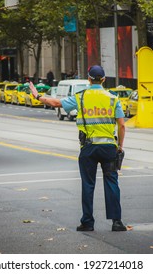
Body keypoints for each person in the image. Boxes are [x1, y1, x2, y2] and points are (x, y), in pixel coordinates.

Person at [29, 65, 127, 232]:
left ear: (89, 79)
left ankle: (88, 222)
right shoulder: (112, 98)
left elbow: (55, 103)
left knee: (88, 185)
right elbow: (122, 126)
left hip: (88, 148)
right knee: (112, 183)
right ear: (103, 80)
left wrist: (37, 96)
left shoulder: (81, 97)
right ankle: (117, 222)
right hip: (108, 147)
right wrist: (119, 147)